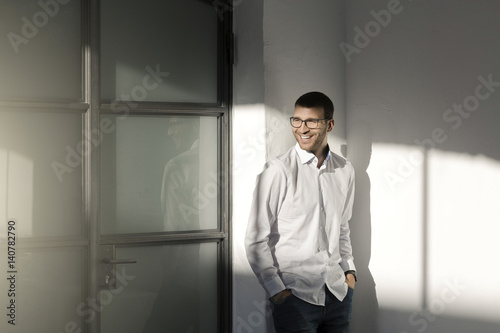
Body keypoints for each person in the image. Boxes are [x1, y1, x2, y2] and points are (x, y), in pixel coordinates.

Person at [245, 91, 357, 333]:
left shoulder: (345, 169)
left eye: (312, 122)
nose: (302, 128)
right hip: (296, 297)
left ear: (330, 124)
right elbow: (256, 239)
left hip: (337, 293)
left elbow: (343, 226)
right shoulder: (277, 171)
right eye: (297, 120)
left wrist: (349, 271)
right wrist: (277, 290)